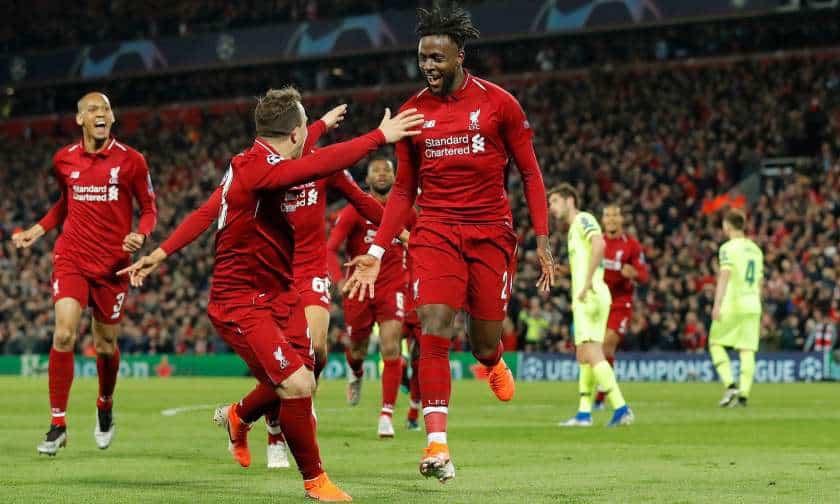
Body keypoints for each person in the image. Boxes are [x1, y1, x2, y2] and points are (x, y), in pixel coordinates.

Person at [118, 86, 423, 501]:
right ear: (295, 136)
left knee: (305, 372)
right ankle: (315, 481)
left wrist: (160, 252)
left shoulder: (251, 160)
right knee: (296, 384)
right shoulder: (260, 170)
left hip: (280, 293)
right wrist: (378, 137)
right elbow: (303, 170)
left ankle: (238, 416)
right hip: (241, 300)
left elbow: (212, 208)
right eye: (305, 133)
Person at [342, 4, 554, 483]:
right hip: (434, 230)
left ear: (460, 55)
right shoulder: (413, 113)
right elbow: (401, 190)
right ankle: (437, 443)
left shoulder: (500, 104)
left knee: (482, 344)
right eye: (422, 59)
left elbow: (530, 173)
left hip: (490, 233)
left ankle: (493, 362)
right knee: (434, 326)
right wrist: (376, 253)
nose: (429, 67)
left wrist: (542, 240)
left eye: (437, 58)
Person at [12, 92, 157, 456]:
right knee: (64, 333)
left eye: (106, 108)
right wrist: (39, 229)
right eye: (93, 109)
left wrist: (142, 234)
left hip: (113, 267)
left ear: (112, 117)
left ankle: (104, 404)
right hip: (72, 257)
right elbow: (65, 203)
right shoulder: (63, 159)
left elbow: (149, 208)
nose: (101, 113)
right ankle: (58, 424)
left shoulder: (132, 161)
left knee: (105, 345)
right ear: (79, 119)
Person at [327, 157, 416, 438]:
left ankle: (386, 414)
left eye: (386, 169)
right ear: (366, 180)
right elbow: (330, 249)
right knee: (359, 349)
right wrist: (339, 281)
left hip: (393, 287)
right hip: (359, 288)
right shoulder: (354, 212)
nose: (381, 174)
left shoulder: (407, 212)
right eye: (375, 170)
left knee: (391, 347)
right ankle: (356, 371)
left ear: (395, 177)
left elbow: (421, 245)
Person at [549, 184, 633, 428]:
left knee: (591, 352)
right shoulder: (574, 229)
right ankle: (584, 413)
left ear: (569, 201)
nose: (551, 209)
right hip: (588, 296)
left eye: (554, 202)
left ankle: (621, 407)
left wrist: (586, 283)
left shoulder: (584, 219)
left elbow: (599, 245)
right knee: (584, 354)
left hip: (591, 295)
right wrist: (567, 271)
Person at [593, 204, 648, 409]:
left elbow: (644, 275)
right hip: (599, 300)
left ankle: (600, 398)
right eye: (607, 215)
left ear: (622, 219)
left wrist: (633, 273)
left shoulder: (632, 245)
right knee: (605, 350)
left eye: (615, 215)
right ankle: (601, 395)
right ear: (603, 219)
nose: (611, 218)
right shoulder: (597, 242)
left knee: (605, 345)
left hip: (620, 302)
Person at [709, 210, 764, 408]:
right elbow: (759, 282)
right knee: (747, 349)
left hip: (733, 303)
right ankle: (744, 395)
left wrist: (717, 304)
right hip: (752, 304)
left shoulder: (728, 248)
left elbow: (725, 275)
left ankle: (730, 384)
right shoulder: (756, 250)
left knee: (715, 343)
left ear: (727, 225)